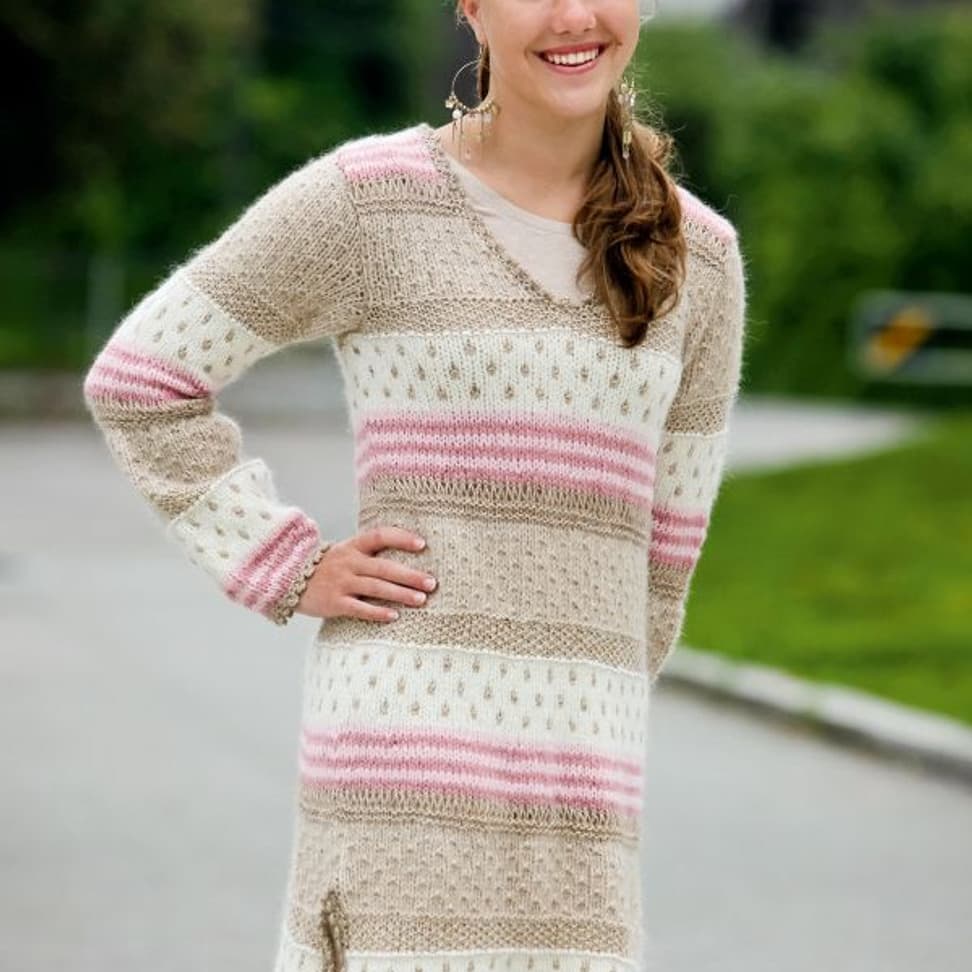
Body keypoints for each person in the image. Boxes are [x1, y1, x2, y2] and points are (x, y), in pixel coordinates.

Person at [82, 0, 748, 969]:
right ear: (472, 7)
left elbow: (665, 558)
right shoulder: (370, 203)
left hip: (578, 804)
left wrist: (581, 733)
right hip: (397, 777)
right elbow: (143, 379)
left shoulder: (702, 258)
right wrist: (286, 563)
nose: (573, 16)